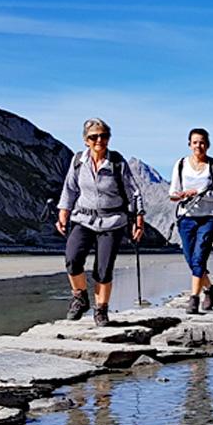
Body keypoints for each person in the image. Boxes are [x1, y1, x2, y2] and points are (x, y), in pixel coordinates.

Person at [55, 118, 145, 326]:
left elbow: (134, 193)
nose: (99, 140)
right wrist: (63, 214)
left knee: (103, 268)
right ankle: (80, 297)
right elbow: (69, 189)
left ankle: (101, 310)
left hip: (112, 221)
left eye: (104, 136)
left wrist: (138, 221)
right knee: (72, 258)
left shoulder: (117, 162)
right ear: (86, 140)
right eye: (94, 137)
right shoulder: (78, 160)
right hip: (83, 218)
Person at [169, 128, 213, 314]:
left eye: (202, 142)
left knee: (199, 255)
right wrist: (179, 196)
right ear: (189, 144)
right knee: (190, 258)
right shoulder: (180, 164)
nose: (198, 146)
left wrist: (197, 192)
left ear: (207, 145)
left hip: (209, 217)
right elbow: (172, 191)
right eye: (195, 142)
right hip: (186, 217)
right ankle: (210, 289)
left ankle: (194, 298)